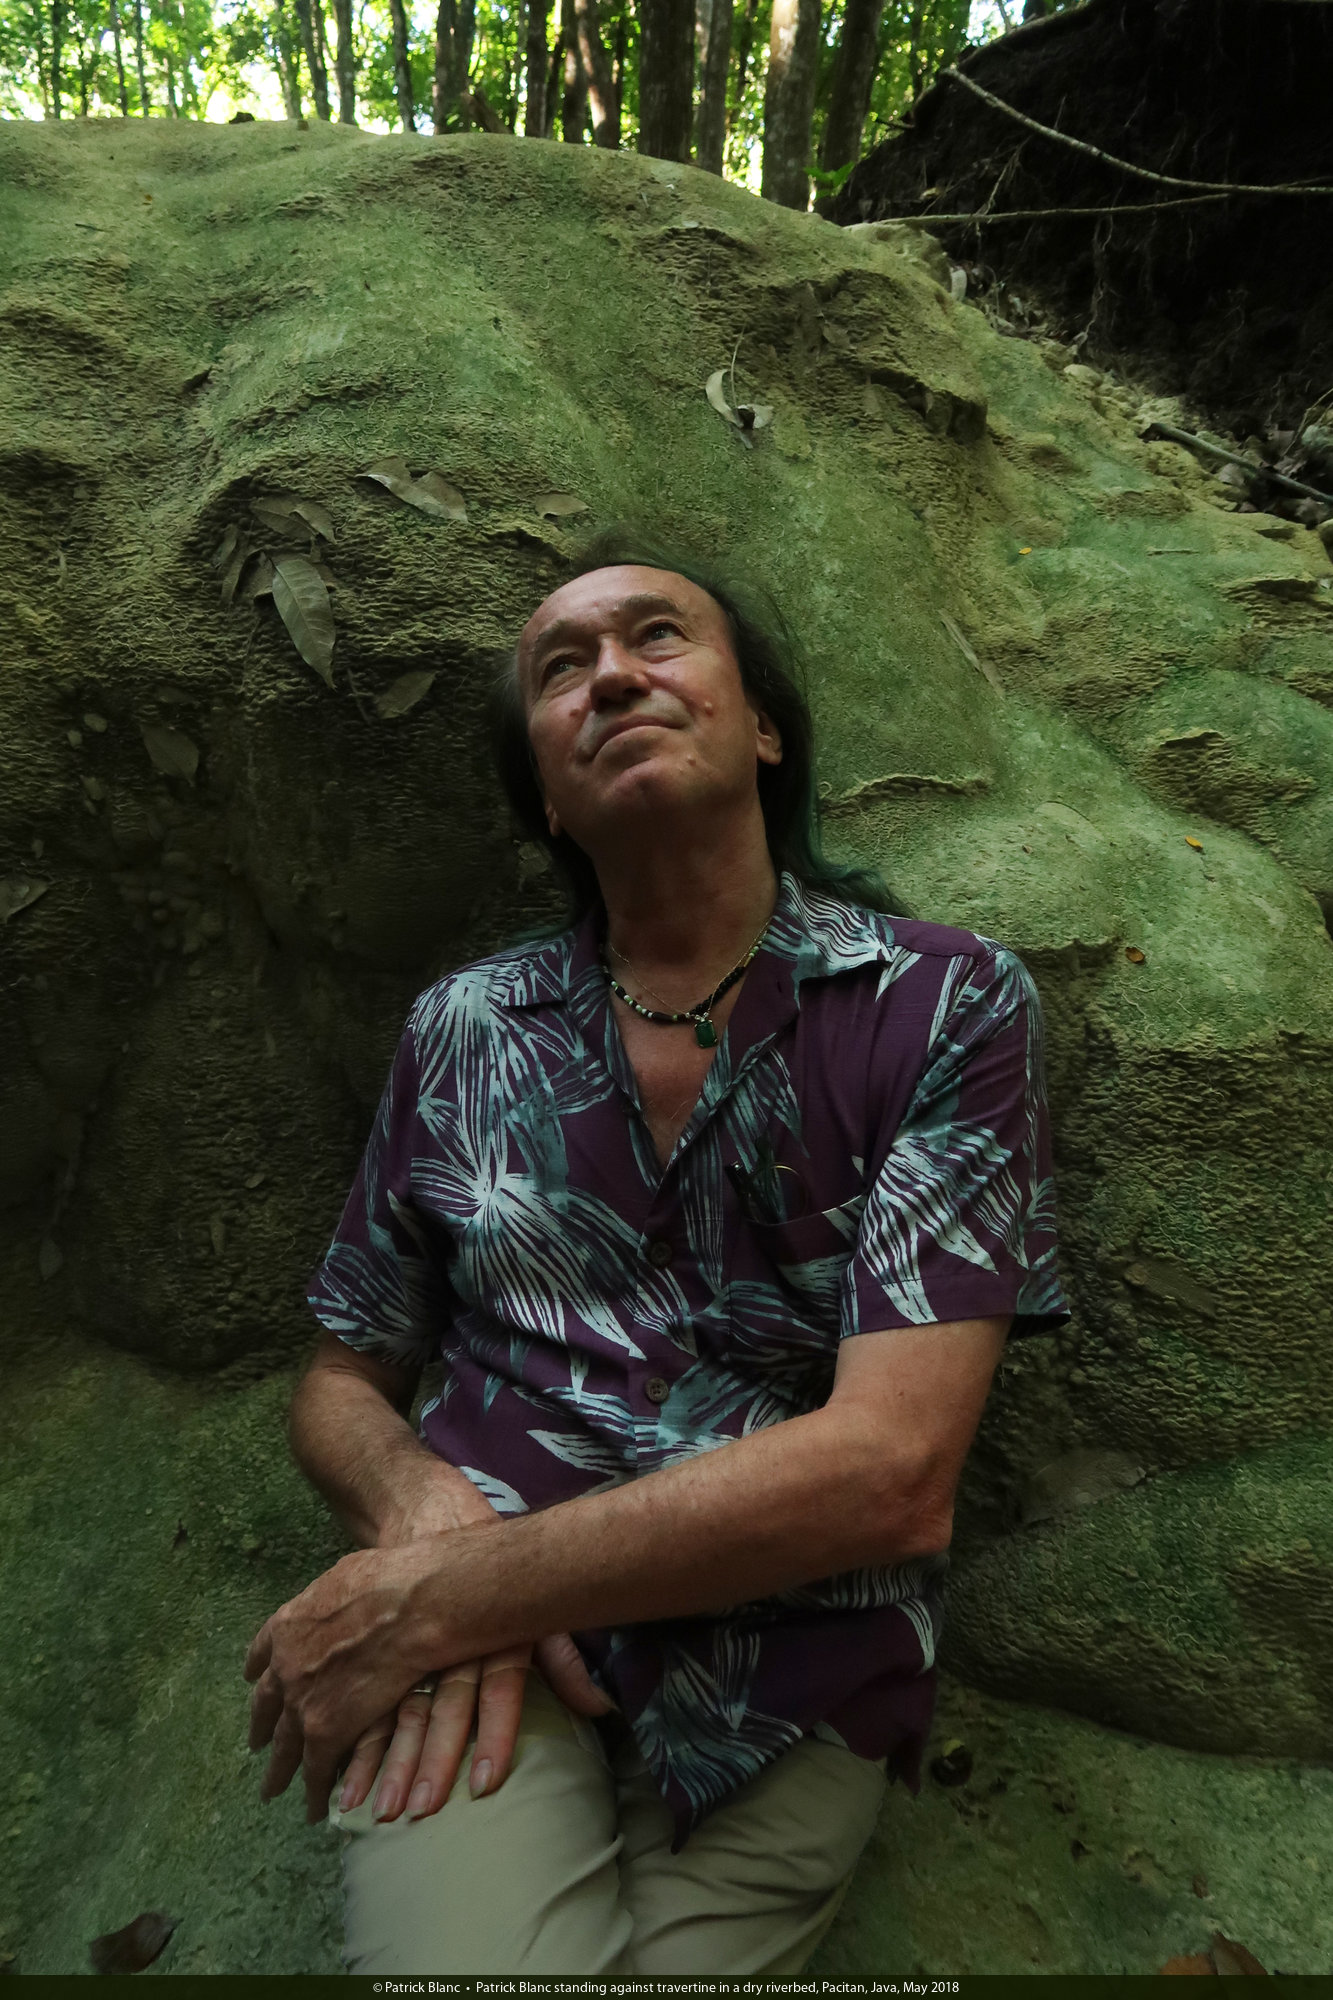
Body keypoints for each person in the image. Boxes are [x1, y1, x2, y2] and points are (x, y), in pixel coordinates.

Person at [245, 533, 1069, 1975]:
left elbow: (892, 1473)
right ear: (545, 799)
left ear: (763, 728)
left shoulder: (943, 1007)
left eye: (657, 637)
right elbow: (338, 1377)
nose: (613, 676)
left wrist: (438, 1594)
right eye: (562, 669)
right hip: (483, 1666)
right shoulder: (463, 1030)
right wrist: (416, 1507)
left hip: (782, 1678)